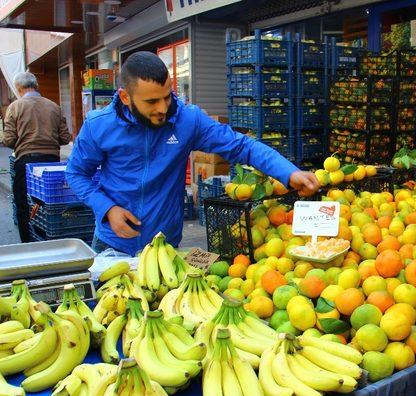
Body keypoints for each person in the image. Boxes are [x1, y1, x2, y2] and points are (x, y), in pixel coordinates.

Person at [66, 52, 319, 256]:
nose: (163, 108)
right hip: (112, 244)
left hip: (165, 246)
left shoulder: (188, 120)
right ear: (125, 97)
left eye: (166, 97)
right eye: (151, 102)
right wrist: (107, 208)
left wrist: (289, 172)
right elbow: (76, 173)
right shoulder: (98, 125)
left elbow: (242, 146)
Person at [2, 72, 72, 242]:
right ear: (36, 86)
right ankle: (53, 238)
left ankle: (28, 242)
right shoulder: (54, 106)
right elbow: (65, 138)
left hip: (26, 161)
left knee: (22, 204)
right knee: (52, 203)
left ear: (19, 88)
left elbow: (9, 140)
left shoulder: (15, 107)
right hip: (51, 162)